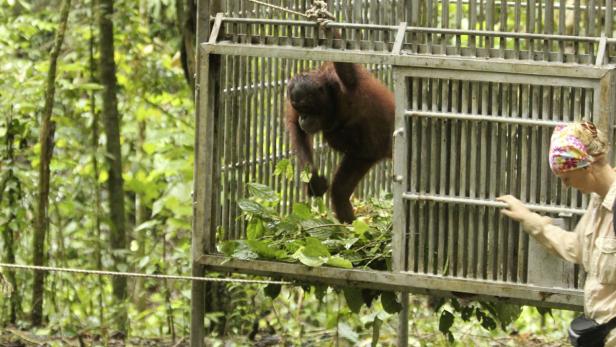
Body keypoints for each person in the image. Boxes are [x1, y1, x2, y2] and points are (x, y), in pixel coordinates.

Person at [497, 121, 616, 347]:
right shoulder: (598, 203)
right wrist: (530, 219)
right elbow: (575, 247)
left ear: (586, 166)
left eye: (566, 177)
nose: (565, 186)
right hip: (601, 332)